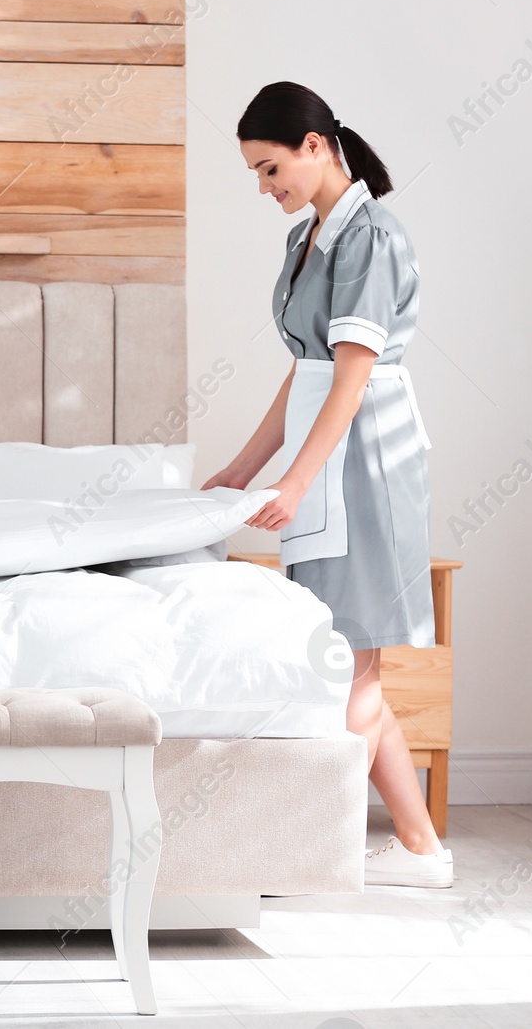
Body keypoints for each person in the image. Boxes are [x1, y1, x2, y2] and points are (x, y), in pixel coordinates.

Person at [204, 80, 451, 888]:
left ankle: (319, 846)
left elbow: (351, 374)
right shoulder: (309, 237)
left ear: (315, 147)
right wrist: (245, 467)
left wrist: (298, 479)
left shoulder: (371, 236)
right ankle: (420, 849)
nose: (266, 188)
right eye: (255, 174)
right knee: (343, 664)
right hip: (325, 457)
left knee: (349, 666)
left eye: (271, 168)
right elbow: (305, 372)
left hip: (365, 464)